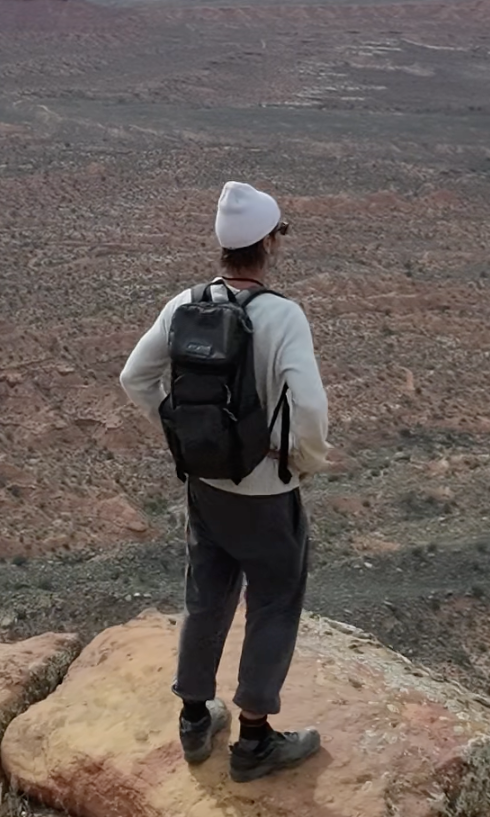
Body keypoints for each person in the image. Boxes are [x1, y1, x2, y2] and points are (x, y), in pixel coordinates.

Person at [118, 179, 333, 781]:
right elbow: (310, 409)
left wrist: (181, 431)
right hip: (267, 493)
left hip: (206, 487)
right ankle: (255, 741)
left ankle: (194, 718)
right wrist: (300, 459)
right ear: (268, 243)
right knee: (274, 600)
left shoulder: (184, 304)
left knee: (205, 596)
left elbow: (135, 379)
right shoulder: (282, 316)